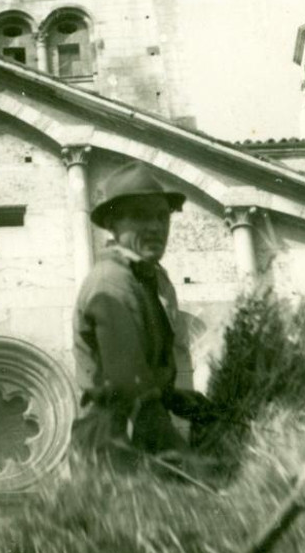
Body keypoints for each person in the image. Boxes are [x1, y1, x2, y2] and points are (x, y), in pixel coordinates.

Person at [71, 161, 214, 465]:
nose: (155, 227)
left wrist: (177, 398)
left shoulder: (146, 280)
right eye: (139, 216)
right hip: (113, 456)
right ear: (113, 225)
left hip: (135, 445)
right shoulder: (112, 283)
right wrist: (191, 465)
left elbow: (142, 377)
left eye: (162, 217)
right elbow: (132, 392)